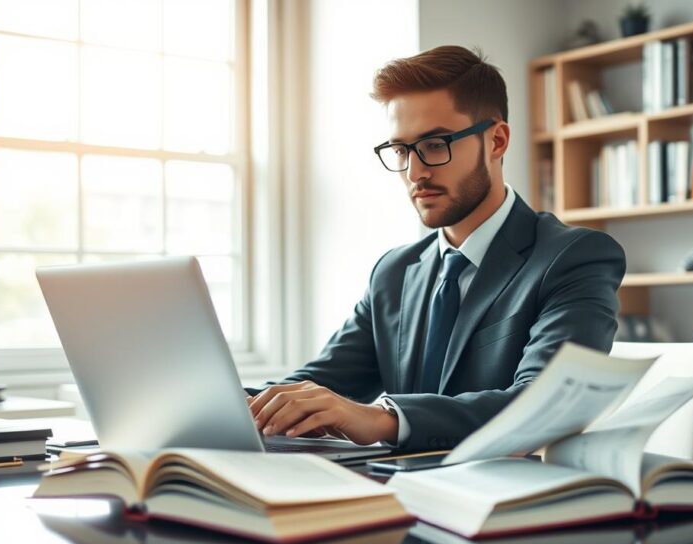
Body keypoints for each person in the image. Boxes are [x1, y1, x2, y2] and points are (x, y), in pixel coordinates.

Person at [248, 46, 625, 452]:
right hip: (393, 494)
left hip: (506, 501)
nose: (415, 172)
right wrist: (232, 404)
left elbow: (545, 404)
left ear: (496, 141)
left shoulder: (573, 258)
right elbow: (319, 383)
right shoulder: (394, 272)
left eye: (434, 144)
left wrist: (382, 418)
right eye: (400, 150)